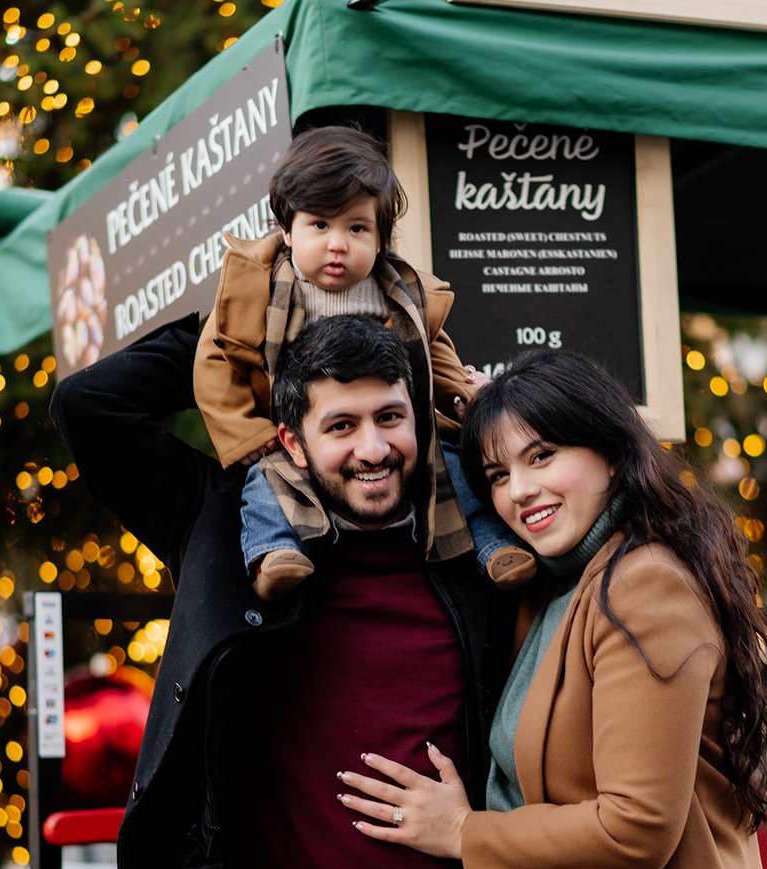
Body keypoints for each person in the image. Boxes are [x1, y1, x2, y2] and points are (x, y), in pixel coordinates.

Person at [49, 313, 513, 869]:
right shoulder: (223, 528)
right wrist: (255, 311)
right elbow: (88, 406)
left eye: (391, 416)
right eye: (342, 424)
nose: (373, 447)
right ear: (289, 438)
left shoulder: (484, 548)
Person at [338, 349, 767, 869]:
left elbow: (639, 824)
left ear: (610, 448)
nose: (520, 490)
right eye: (499, 474)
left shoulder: (643, 584)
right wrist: (482, 412)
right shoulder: (554, 590)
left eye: (543, 455)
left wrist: (464, 833)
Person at [193, 123, 533, 601]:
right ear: (286, 230)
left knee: (453, 468)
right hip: (298, 431)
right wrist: (243, 431)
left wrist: (467, 396)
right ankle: (275, 554)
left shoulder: (400, 294)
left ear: (380, 240)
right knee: (265, 484)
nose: (338, 244)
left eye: (357, 228)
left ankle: (493, 547)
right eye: (320, 225)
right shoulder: (257, 290)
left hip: (385, 415)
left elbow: (434, 350)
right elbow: (214, 361)